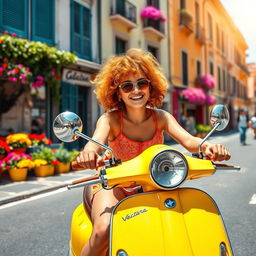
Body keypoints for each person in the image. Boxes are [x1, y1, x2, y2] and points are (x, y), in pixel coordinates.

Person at [74, 48, 231, 256]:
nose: (136, 90)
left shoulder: (162, 117)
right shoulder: (110, 119)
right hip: (113, 184)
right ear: (117, 92)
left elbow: (189, 141)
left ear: (151, 86)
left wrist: (209, 147)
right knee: (104, 228)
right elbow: (94, 142)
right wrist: (88, 153)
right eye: (127, 86)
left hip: (154, 182)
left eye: (142, 83)